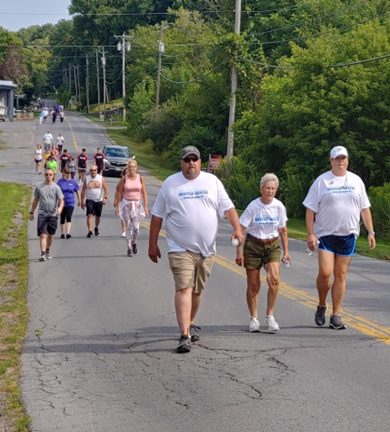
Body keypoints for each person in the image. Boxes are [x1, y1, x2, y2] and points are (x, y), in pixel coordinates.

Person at [149, 146, 243, 353]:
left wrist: (237, 229)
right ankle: (184, 335)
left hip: (207, 249)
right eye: (187, 159)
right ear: (181, 163)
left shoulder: (212, 182)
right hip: (179, 247)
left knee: (197, 290)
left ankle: (190, 322)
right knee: (184, 288)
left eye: (195, 159)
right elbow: (157, 216)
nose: (191, 162)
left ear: (200, 161)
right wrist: (152, 244)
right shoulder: (170, 184)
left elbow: (228, 208)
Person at [303, 146, 376, 330]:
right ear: (331, 161)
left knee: (341, 275)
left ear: (348, 160)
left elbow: (364, 208)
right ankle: (321, 305)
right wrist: (310, 233)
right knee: (326, 272)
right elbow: (310, 209)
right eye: (337, 158)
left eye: (343, 158)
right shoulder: (322, 182)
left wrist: (371, 232)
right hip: (326, 234)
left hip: (348, 234)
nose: (340, 161)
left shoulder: (356, 181)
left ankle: (336, 315)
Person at [235, 173, 291, 333]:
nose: (270, 191)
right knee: (253, 285)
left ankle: (270, 316)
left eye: (273, 188)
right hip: (253, 245)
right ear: (261, 189)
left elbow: (283, 230)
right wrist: (239, 251)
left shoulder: (279, 207)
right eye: (267, 188)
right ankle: (254, 318)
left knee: (274, 280)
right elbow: (240, 230)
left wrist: (286, 252)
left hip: (272, 245)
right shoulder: (253, 207)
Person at [29, 168, 64, 261]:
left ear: (53, 176)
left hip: (52, 214)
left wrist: (60, 208)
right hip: (42, 214)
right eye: (47, 174)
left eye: (50, 174)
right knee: (42, 235)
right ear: (44, 175)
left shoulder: (56, 187)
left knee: (50, 235)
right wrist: (32, 212)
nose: (48, 176)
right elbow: (35, 200)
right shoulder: (39, 188)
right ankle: (43, 253)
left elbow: (61, 200)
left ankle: (47, 250)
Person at [116, 159, 148, 256]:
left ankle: (133, 242)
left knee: (136, 227)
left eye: (133, 167)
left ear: (136, 168)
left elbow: (144, 192)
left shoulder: (140, 178)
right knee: (129, 226)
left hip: (137, 204)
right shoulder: (124, 179)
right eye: (129, 167)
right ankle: (129, 247)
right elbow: (120, 192)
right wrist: (118, 206)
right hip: (126, 204)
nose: (131, 168)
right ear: (127, 168)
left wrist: (146, 207)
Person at [81, 165, 109, 238]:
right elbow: (83, 190)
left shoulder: (101, 178)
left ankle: (96, 227)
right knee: (89, 215)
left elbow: (106, 189)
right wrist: (81, 201)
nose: (93, 172)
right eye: (91, 170)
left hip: (99, 200)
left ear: (97, 171)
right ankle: (90, 231)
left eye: (94, 170)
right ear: (90, 171)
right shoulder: (87, 179)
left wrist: (105, 198)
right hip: (90, 199)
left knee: (98, 216)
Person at [57, 168, 81, 239]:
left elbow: (77, 191)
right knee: (62, 218)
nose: (69, 174)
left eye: (70, 173)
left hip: (70, 202)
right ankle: (62, 233)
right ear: (63, 173)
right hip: (62, 203)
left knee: (69, 216)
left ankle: (68, 233)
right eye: (67, 173)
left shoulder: (73, 182)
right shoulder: (60, 182)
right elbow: (56, 191)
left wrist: (80, 201)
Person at [113, 169, 128, 237]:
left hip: (131, 201)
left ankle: (129, 229)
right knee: (123, 216)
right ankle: (124, 231)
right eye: (126, 172)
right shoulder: (122, 180)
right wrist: (115, 201)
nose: (127, 173)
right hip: (122, 200)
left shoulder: (135, 180)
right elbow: (117, 191)